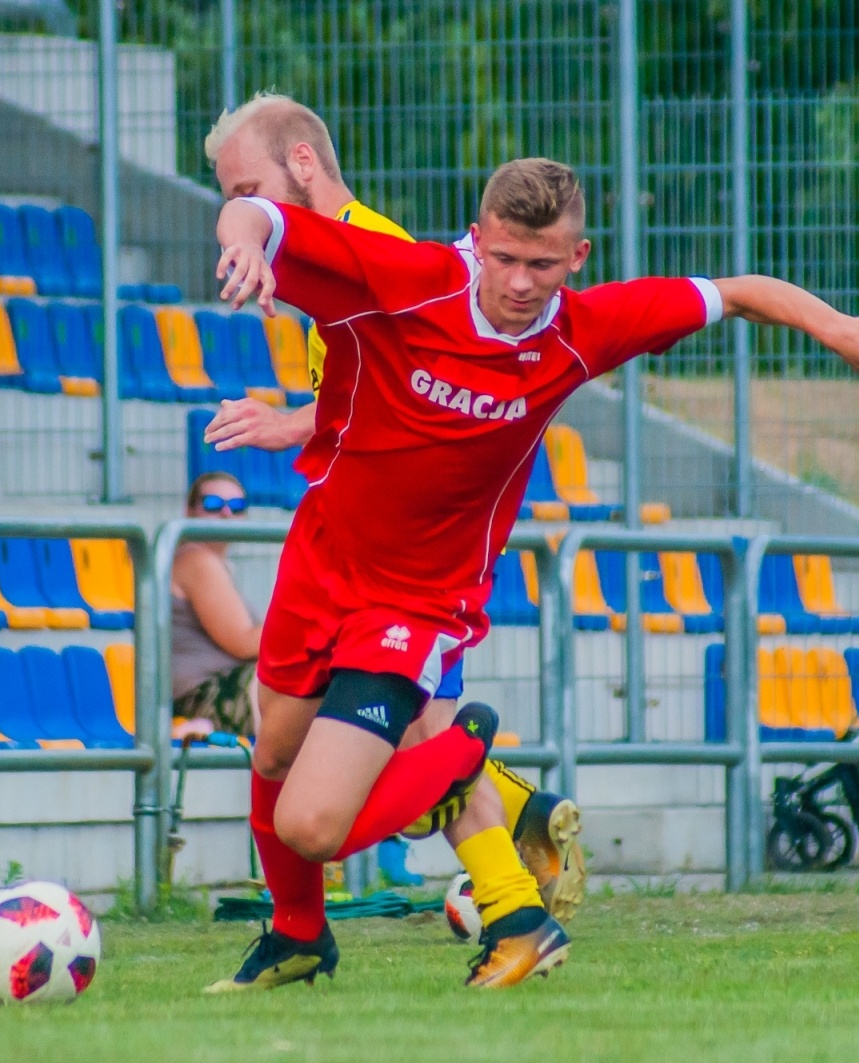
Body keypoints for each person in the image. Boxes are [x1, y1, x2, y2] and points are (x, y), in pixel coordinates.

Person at [206, 156, 859, 991]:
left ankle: (459, 756)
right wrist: (245, 245)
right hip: (321, 562)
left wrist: (837, 327)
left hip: (417, 602)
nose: (521, 282)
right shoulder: (410, 276)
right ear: (478, 240)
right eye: (507, 259)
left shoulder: (585, 330)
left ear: (579, 257)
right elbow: (262, 218)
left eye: (544, 265)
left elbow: (735, 290)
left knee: (311, 825)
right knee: (271, 755)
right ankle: (300, 935)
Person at [202, 94, 586, 954]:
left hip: (412, 566)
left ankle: (511, 884)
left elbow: (426, 398)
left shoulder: (376, 254)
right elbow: (364, 402)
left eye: (248, 184)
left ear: (302, 164)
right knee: (344, 746)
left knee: (418, 750)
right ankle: (511, 889)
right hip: (354, 546)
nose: (241, 202)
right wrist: (290, 422)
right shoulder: (328, 256)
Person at [170, 471, 262, 738]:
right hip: (202, 697)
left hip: (224, 690)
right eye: (212, 504)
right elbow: (243, 643)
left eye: (236, 507)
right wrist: (311, 626)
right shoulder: (196, 560)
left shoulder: (214, 565)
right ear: (189, 511)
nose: (226, 514)